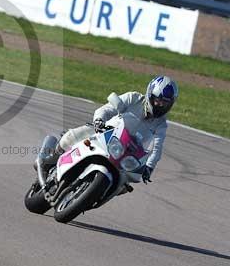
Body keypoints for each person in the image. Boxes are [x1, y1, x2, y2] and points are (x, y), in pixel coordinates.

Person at [39, 76, 178, 188]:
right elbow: (108, 108)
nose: (160, 105)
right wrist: (99, 120)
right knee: (70, 137)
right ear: (150, 95)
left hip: (128, 151)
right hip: (105, 131)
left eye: (165, 103)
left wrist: (149, 167)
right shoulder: (134, 98)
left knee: (125, 183)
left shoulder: (161, 124)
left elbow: (157, 148)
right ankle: (48, 160)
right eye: (158, 100)